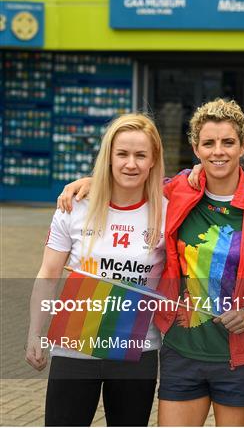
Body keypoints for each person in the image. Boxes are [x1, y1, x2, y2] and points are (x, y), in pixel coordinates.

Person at [25, 113, 167, 426]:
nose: (131, 163)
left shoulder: (169, 211)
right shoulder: (75, 206)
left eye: (140, 155)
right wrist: (35, 333)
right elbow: (48, 273)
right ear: (108, 157)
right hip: (75, 347)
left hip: (136, 351)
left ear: (153, 159)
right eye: (122, 154)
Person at [154, 99, 244, 426]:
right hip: (182, 349)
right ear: (196, 148)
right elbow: (132, 187)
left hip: (241, 356)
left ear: (243, 145)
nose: (218, 151)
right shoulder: (180, 190)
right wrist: (86, 184)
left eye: (227, 142)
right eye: (208, 143)